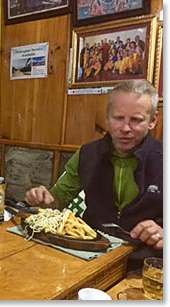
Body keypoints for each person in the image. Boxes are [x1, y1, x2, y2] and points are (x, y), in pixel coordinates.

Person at [25, 80, 162, 274]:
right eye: (118, 118)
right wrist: (44, 199)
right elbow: (57, 200)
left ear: (153, 120)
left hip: (146, 266)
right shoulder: (87, 154)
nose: (125, 128)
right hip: (89, 254)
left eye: (136, 120)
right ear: (107, 117)